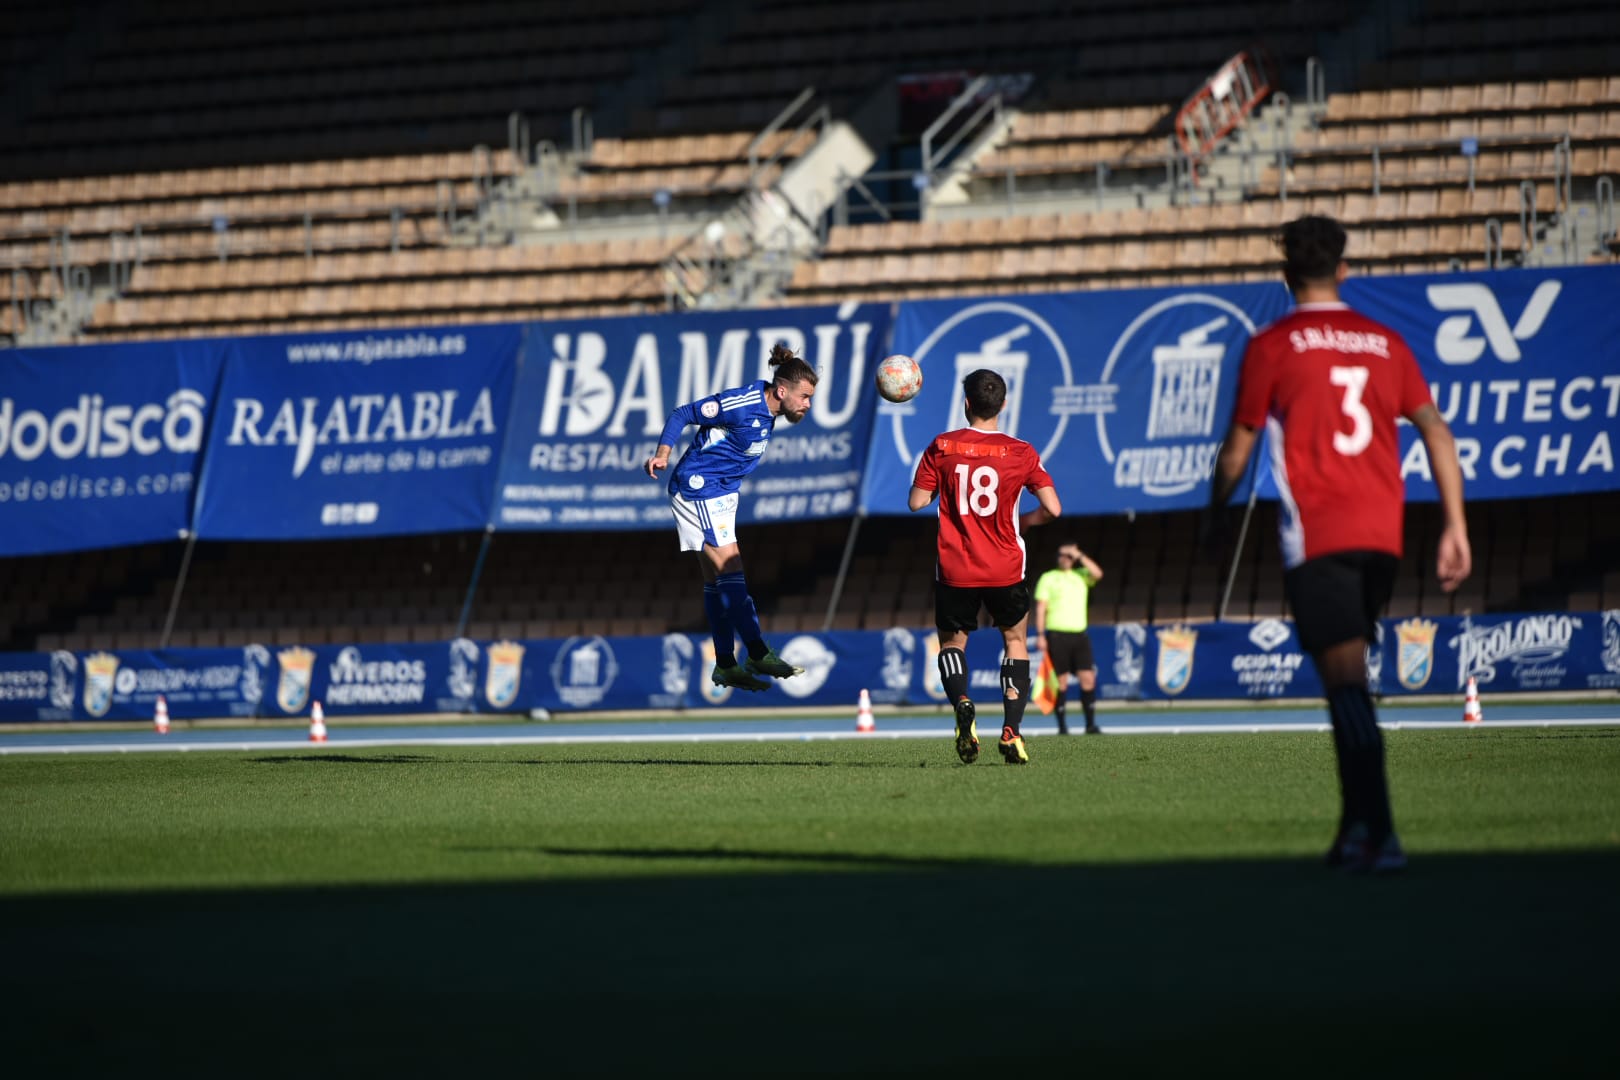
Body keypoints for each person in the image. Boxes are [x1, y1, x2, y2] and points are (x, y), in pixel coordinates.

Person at [1206, 214, 1471, 874]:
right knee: (1346, 683)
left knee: (1346, 686)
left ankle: (1379, 833)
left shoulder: (1273, 345)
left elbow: (1239, 447)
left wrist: (1214, 514)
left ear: (1285, 274)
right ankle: (1356, 830)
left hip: (1320, 535)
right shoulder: (1385, 341)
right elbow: (1436, 432)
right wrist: (1455, 525)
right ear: (1345, 269)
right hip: (1383, 535)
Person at [909, 369, 1062, 765]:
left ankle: (962, 701)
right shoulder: (1021, 452)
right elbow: (1053, 508)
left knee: (952, 643)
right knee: (1014, 640)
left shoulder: (942, 446)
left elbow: (916, 502)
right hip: (1005, 567)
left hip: (956, 568)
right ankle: (1011, 730)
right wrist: (1026, 521)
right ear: (1003, 405)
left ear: (966, 404)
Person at [646, 343, 815, 692]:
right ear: (781, 390)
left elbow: (784, 416)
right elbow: (682, 413)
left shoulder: (771, 411)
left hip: (722, 493)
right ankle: (756, 651)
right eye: (804, 396)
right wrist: (662, 454)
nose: (807, 404)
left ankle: (725, 663)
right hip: (698, 488)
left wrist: (797, 409)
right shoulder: (741, 403)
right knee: (732, 568)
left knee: (715, 581)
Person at [1033, 543, 1105, 735]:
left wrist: (1079, 555)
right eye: (1062, 555)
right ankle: (1062, 727)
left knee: (1088, 678)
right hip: (1057, 635)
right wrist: (1040, 635)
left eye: (1068, 555)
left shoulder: (1081, 576)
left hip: (1079, 635)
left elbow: (1098, 574)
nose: (1065, 558)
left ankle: (1090, 724)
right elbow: (1041, 608)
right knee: (1061, 681)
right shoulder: (1049, 578)